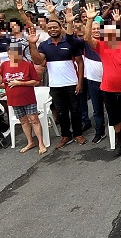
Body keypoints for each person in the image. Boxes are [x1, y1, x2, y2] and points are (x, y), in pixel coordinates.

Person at [84, 3, 121, 156]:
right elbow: (87, 37)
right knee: (114, 118)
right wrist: (90, 20)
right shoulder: (102, 46)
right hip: (108, 90)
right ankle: (119, 142)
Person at [30, 19, 85, 149]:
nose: (52, 30)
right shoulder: (43, 45)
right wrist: (32, 44)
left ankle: (78, 134)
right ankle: (66, 135)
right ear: (47, 30)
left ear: (61, 28)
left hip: (72, 82)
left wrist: (80, 82)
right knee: (61, 112)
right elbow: (38, 61)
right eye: (50, 28)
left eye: (55, 27)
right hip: (55, 85)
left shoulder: (70, 43)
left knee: (75, 110)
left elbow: (80, 63)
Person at [0, 44, 46, 154]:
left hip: (28, 97)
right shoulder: (5, 65)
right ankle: (30, 142)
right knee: (23, 121)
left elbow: (36, 81)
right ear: (8, 54)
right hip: (14, 99)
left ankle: (41, 143)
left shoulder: (27, 65)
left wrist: (20, 83)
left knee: (34, 120)